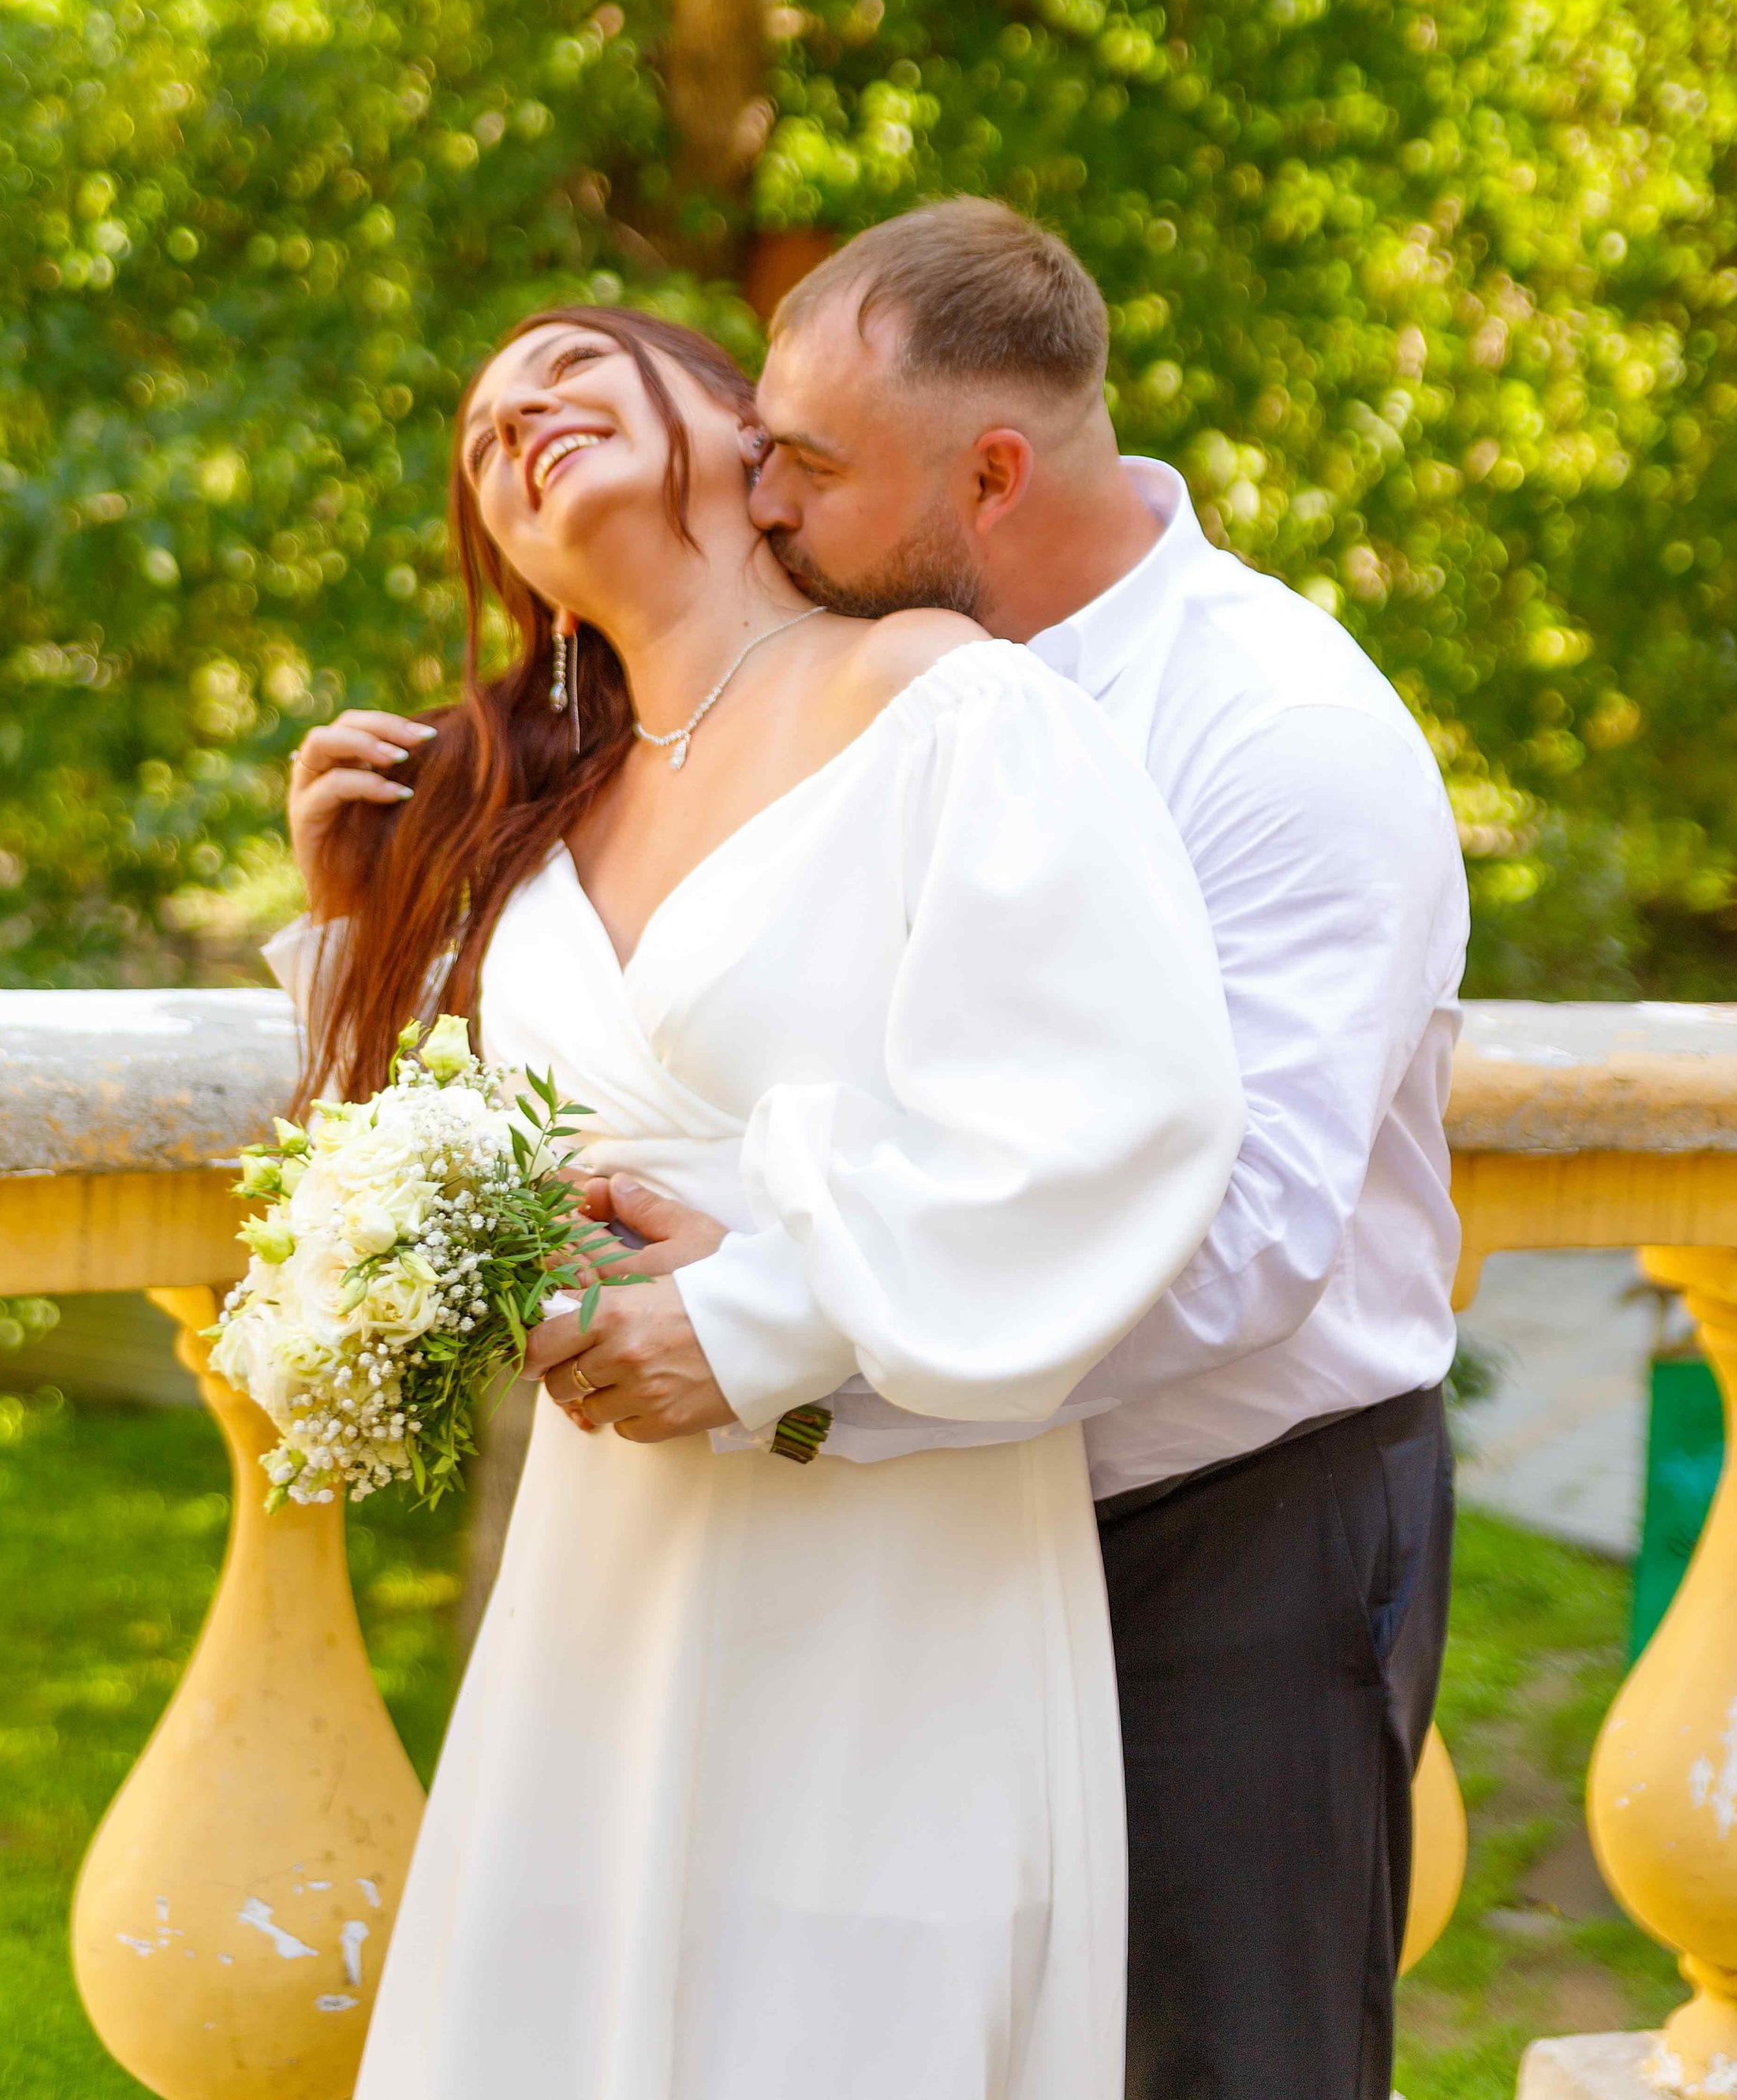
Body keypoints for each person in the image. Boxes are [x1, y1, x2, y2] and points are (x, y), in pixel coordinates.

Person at [272, 302, 1248, 2100]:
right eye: (483, 437)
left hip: (886, 1561)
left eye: (569, 369)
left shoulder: (949, 703)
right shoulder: (531, 821)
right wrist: (371, 906)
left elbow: (1120, 1106)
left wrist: (758, 1317)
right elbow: (441, 1167)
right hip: (604, 1569)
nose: (518, 423)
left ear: (742, 426)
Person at [579, 203, 1469, 2100]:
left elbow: (1235, 1245)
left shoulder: (1283, 739)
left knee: (1220, 2066)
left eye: (806, 466)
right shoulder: (848, 677)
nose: (765, 502)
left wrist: (784, 1345)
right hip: (910, 1539)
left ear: (989, 473)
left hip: (1231, 1543)